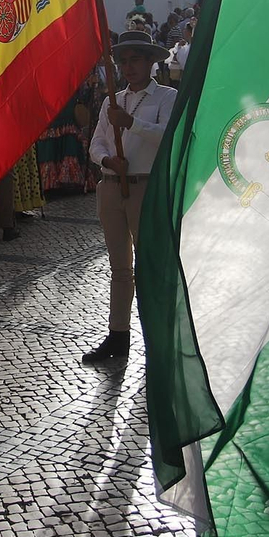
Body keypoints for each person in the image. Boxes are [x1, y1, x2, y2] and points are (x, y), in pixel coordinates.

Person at [83, 29, 177, 364]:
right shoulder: (112, 98)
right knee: (120, 268)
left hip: (145, 188)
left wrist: (132, 124)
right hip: (111, 187)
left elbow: (168, 136)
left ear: (151, 61)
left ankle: (159, 338)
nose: (128, 66)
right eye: (123, 60)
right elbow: (97, 142)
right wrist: (108, 160)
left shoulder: (166, 97)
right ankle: (117, 336)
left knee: (149, 266)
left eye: (135, 59)